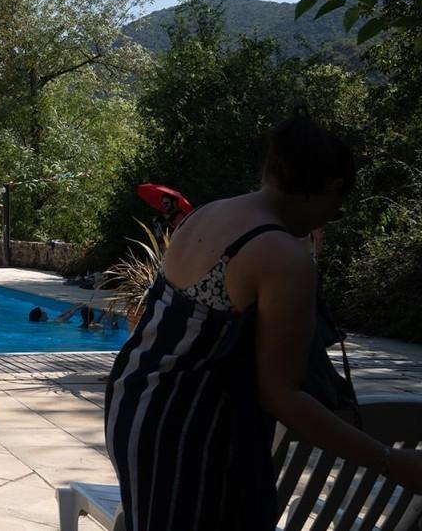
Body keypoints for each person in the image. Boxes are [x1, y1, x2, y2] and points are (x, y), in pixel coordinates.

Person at [106, 114, 422, 530]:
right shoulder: (281, 256)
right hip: (185, 429)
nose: (332, 217)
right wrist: (390, 461)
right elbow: (281, 395)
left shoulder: (210, 214)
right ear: (328, 190)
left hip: (134, 400)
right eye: (337, 208)